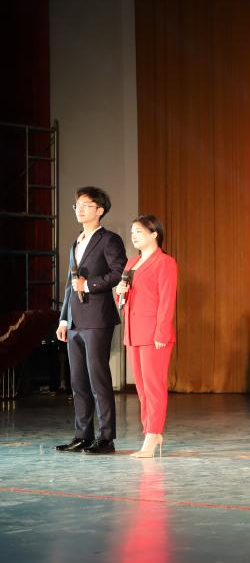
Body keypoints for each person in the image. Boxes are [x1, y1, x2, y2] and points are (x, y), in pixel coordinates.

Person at [55, 187, 127, 454]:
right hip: (75, 321)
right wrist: (64, 320)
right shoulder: (76, 242)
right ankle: (82, 435)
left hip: (97, 318)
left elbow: (118, 273)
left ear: (100, 210)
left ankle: (106, 438)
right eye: (77, 205)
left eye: (86, 205)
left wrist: (88, 285)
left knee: (98, 379)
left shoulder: (109, 240)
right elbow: (69, 284)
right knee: (78, 381)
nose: (80, 209)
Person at [115, 215, 178, 458]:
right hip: (133, 331)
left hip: (154, 334)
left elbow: (167, 300)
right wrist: (120, 293)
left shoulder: (165, 262)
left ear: (154, 234)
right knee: (141, 389)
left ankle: (152, 435)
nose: (134, 236)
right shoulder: (131, 262)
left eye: (139, 231)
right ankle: (150, 432)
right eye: (132, 232)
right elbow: (124, 301)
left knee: (154, 387)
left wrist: (162, 331)